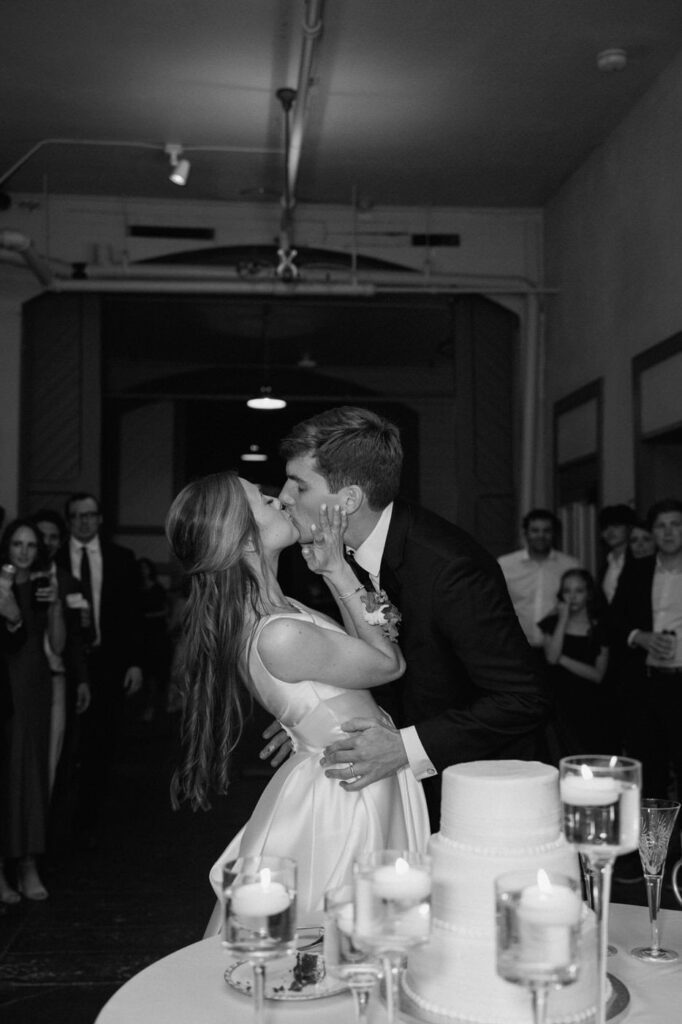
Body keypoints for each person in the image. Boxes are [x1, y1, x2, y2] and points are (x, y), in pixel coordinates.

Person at [165, 471, 429, 930]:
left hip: (354, 768)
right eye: (263, 501)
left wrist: (305, 724)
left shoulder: (275, 607)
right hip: (343, 796)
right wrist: (336, 570)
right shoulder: (279, 633)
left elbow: (345, 669)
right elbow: (388, 664)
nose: (279, 500)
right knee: (339, 932)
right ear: (244, 541)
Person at [264, 406, 546, 829]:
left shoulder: (450, 569)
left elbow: (524, 698)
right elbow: (371, 657)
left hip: (479, 793)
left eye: (299, 486)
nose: (284, 496)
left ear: (349, 499)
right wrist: (319, 712)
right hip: (400, 792)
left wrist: (405, 747)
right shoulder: (336, 555)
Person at [55, 494, 143, 847]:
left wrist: (136, 662)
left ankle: (87, 818)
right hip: (64, 663)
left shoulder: (122, 559)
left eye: (90, 515)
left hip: (108, 664)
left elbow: (135, 616)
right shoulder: (55, 558)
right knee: (64, 741)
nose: (84, 522)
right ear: (69, 521)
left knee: (101, 741)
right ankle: (57, 812)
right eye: (77, 516)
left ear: (100, 519)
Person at [0, 520, 65, 901]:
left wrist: (55, 604)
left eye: (30, 545)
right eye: (16, 544)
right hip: (5, 681)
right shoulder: (2, 583)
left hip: (34, 684)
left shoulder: (42, 586)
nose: (23, 551)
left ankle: (28, 863)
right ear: (7, 546)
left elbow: (56, 645)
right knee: (7, 772)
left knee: (33, 772)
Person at [611, 498, 682, 798]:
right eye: (661, 526)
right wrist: (639, 636)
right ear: (652, 532)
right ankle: (654, 845)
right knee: (649, 775)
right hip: (647, 684)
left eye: (676, 524)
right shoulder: (637, 570)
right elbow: (611, 623)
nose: (668, 532)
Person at [32, 509, 90, 794]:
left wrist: (81, 680)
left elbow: (77, 638)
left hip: (57, 677)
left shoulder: (69, 582)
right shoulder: (14, 576)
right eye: (41, 536)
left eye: (53, 537)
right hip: (23, 678)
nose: (47, 542)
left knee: (55, 759)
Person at [538, 569, 609, 755]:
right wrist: (562, 619)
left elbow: (598, 675)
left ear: (589, 593)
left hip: (590, 704)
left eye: (579, 591)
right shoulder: (551, 623)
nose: (572, 597)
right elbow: (551, 659)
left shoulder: (600, 627)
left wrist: (562, 658)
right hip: (558, 703)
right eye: (567, 591)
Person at [498, 509, 580, 661]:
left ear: (554, 534)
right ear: (526, 533)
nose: (541, 536)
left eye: (546, 531)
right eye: (535, 530)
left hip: (559, 650)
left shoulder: (571, 566)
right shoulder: (505, 565)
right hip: (516, 649)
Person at [598, 504, 636, 605]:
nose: (610, 532)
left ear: (629, 528)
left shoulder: (638, 559)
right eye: (605, 528)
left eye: (616, 526)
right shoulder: (606, 564)